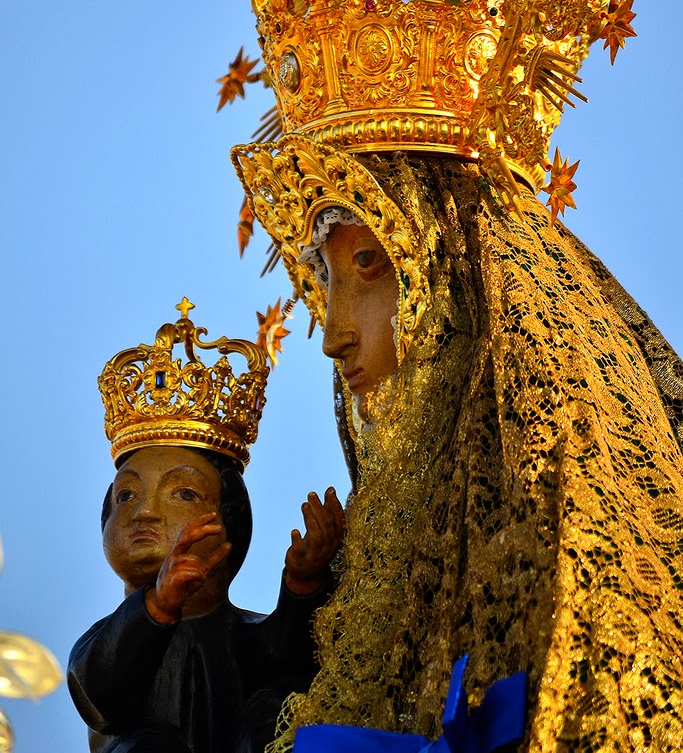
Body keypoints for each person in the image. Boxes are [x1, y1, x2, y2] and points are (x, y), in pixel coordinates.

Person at [232, 143, 683, 752]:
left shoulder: (550, 498)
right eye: (324, 283)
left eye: (367, 265)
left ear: (445, 268)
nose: (332, 334)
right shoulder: (389, 534)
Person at [68, 443, 344, 753]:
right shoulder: (105, 641)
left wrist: (304, 584)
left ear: (231, 523)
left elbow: (299, 670)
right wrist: (155, 608)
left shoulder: (250, 633)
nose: (144, 511)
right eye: (126, 496)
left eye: (184, 493)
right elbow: (102, 698)